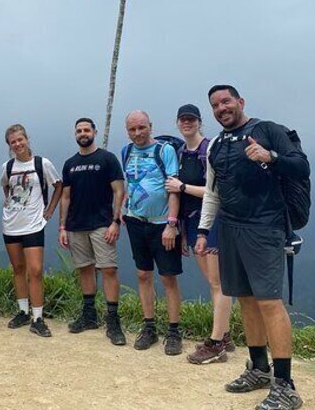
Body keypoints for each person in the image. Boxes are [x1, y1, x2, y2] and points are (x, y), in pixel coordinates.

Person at [198, 85, 309, 410]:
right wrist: (204, 230)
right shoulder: (216, 144)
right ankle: (259, 369)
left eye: (226, 101)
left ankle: (285, 385)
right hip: (230, 228)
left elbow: (302, 166)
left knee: (269, 303)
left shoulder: (268, 130)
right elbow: (212, 192)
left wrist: (270, 156)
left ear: (240, 102)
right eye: (215, 105)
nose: (221, 108)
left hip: (265, 227)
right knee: (245, 300)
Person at [163, 104, 234, 364]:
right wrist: (181, 230)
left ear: (200, 122)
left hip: (212, 222)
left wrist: (182, 186)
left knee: (219, 283)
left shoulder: (210, 149)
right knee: (213, 281)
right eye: (183, 120)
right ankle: (224, 333)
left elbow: (216, 192)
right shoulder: (181, 152)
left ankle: (218, 343)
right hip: (193, 224)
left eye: (191, 120)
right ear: (178, 123)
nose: (187, 124)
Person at [59, 117, 126, 346]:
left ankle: (113, 320)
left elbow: (119, 191)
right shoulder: (70, 163)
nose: (83, 133)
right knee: (85, 269)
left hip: (102, 224)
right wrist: (62, 226)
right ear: (74, 134)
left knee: (108, 269)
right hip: (76, 225)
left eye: (86, 129)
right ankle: (89, 316)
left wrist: (116, 221)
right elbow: (65, 197)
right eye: (79, 130)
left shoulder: (107, 159)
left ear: (94, 132)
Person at [121, 111, 183, 354]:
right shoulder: (126, 151)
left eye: (142, 128)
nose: (137, 133)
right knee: (143, 274)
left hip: (161, 224)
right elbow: (129, 183)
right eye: (132, 129)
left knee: (168, 277)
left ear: (151, 126)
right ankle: (149, 327)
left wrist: (171, 223)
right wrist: (122, 210)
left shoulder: (164, 150)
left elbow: (173, 188)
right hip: (136, 221)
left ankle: (174, 331)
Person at [1, 124, 62, 338]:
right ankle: (23, 312)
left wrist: (50, 211)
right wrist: (8, 201)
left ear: (27, 139)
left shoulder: (42, 164)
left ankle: (38, 317)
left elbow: (58, 185)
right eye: (13, 142)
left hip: (34, 224)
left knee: (35, 270)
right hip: (11, 224)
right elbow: (5, 185)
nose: (17, 144)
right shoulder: (7, 166)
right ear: (9, 145)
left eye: (20, 140)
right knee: (18, 268)